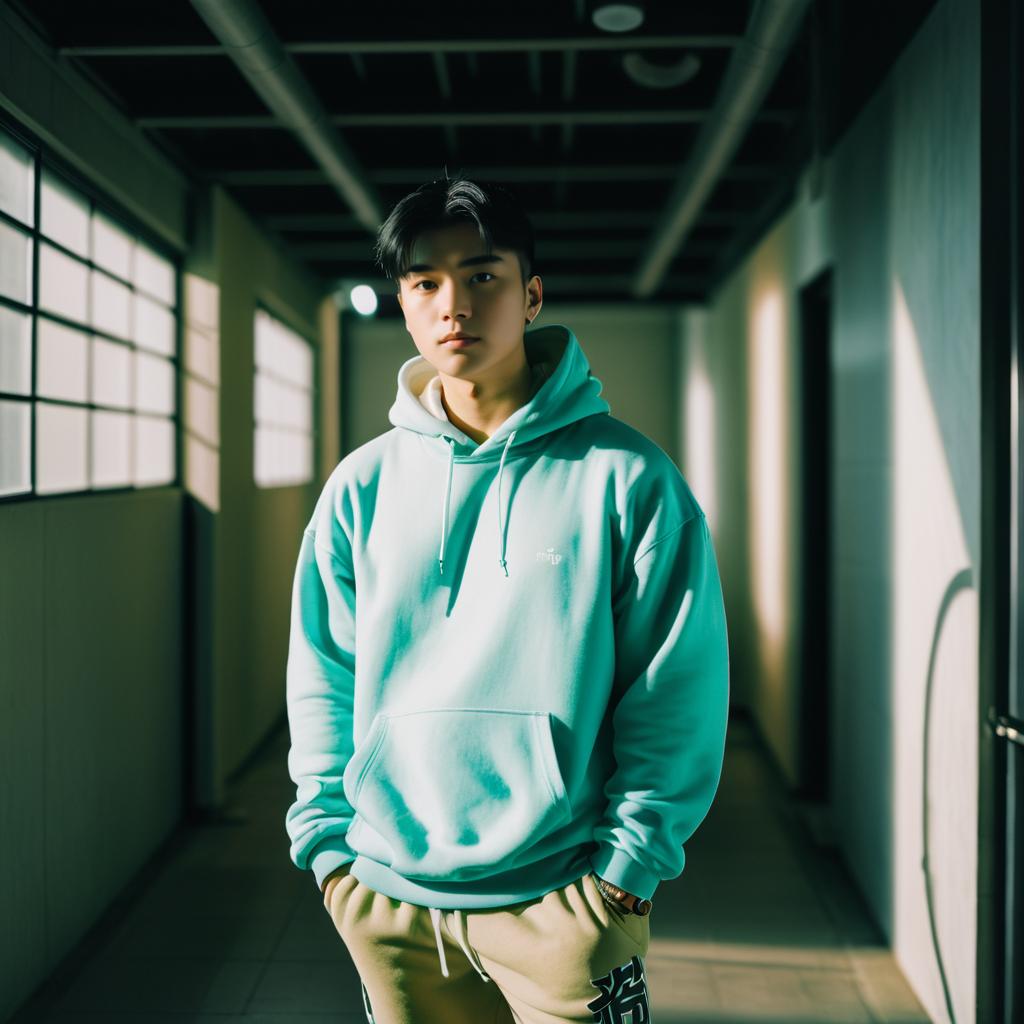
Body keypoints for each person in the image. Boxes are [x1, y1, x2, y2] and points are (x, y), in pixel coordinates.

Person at [284, 174, 730, 1024]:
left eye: (482, 276)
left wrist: (628, 873)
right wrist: (329, 849)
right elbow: (323, 671)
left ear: (530, 295)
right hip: (386, 896)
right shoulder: (361, 486)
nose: (454, 303)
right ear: (405, 306)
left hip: (566, 898)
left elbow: (675, 683)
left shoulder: (628, 477)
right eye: (425, 282)